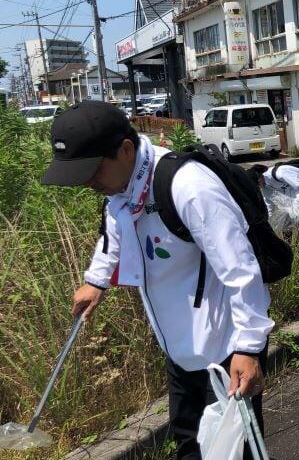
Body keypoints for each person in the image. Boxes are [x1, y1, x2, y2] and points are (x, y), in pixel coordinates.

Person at [44, 101, 273, 459]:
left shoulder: (187, 186)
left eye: (92, 171)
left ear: (125, 149)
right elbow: (115, 233)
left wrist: (248, 347)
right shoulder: (123, 192)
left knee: (234, 450)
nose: (88, 183)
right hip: (179, 346)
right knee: (189, 445)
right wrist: (96, 281)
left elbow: (241, 270)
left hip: (225, 348)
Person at [252, 159, 299, 238]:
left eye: (257, 185)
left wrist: (297, 207)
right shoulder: (265, 188)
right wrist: (267, 225)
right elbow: (269, 206)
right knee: (285, 224)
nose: (258, 188)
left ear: (259, 177)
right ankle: (289, 246)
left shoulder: (280, 172)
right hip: (288, 201)